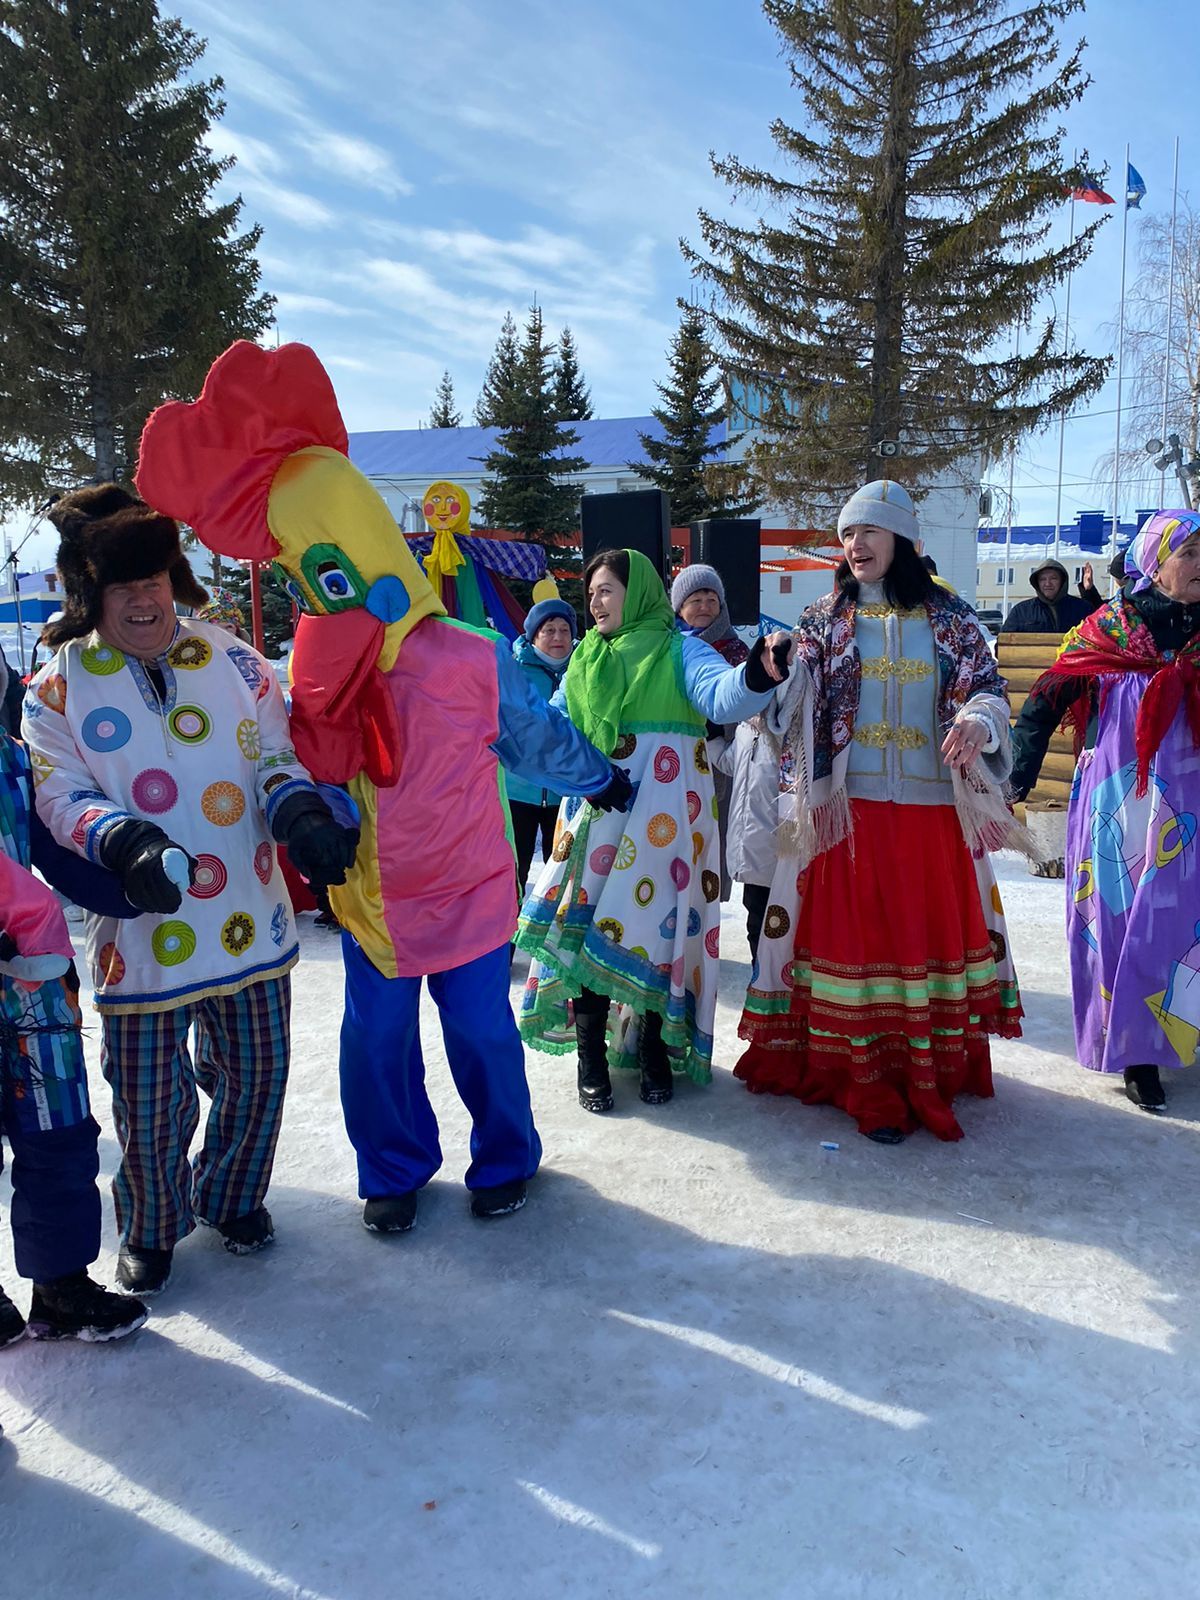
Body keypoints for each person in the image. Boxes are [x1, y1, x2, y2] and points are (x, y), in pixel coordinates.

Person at [135, 339, 628, 1233]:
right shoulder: (316, 678)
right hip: (374, 898)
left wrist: (603, 777)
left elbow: (536, 737)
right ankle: (393, 1169)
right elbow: (300, 766)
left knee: (481, 1033)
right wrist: (313, 821)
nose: (307, 590)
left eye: (314, 568)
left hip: (471, 885)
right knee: (375, 1043)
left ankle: (507, 1154)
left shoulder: (469, 658)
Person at [23, 484, 357, 1296]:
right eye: (121, 585)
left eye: (155, 579)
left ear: (175, 579)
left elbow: (275, 755)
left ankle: (234, 1196)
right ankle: (154, 1225)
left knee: (259, 1073)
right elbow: (59, 795)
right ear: (90, 594)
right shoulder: (56, 690)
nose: (143, 598)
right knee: (148, 1100)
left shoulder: (236, 659)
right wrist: (126, 841)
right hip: (142, 934)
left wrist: (302, 809)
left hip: (250, 914)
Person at [736, 480, 1026, 1144]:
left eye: (869, 530)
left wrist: (980, 723)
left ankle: (929, 1067)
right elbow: (790, 697)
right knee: (858, 947)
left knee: (917, 942)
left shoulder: (951, 618)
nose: (855, 544)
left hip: (930, 813)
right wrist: (779, 670)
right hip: (849, 814)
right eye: (846, 534)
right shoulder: (822, 618)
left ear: (902, 538)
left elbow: (987, 689)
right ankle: (865, 1078)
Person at [517, 548, 791, 1111]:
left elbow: (722, 693)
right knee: (589, 925)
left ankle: (653, 1051)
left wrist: (760, 673)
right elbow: (555, 725)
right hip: (597, 815)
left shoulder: (679, 649)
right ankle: (591, 1053)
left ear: (636, 592)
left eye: (607, 590)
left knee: (656, 932)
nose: (595, 602)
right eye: (591, 592)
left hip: (666, 828)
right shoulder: (585, 659)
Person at [1011, 508, 1200, 1114]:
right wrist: (1017, 776)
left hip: (1189, 807)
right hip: (1119, 805)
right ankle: (1135, 1053)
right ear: (1155, 563)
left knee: (1184, 925)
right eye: (1189, 553)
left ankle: (1180, 1031)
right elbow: (1044, 700)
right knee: (1119, 922)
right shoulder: (1106, 630)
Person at [1, 733, 149, 1345]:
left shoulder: (13, 757)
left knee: (58, 1133)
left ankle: (60, 1286)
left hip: (32, 983)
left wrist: (127, 890)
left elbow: (47, 851)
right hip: (27, 950)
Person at [671, 563, 751, 903]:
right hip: (672, 763)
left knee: (708, 851)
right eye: (695, 599)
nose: (705, 606)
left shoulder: (737, 653)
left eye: (711, 599)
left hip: (717, 765)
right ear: (679, 607)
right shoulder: (667, 649)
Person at [508, 592, 579, 897]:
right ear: (533, 635)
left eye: (564, 630)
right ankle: (508, 938)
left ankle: (555, 940)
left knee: (564, 873)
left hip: (564, 792)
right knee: (514, 870)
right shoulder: (513, 670)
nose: (557, 637)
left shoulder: (584, 669)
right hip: (518, 790)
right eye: (548, 630)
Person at [713, 715, 778, 962]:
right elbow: (731, 762)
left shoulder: (785, 730)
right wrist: (712, 738)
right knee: (756, 921)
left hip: (779, 849)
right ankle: (759, 985)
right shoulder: (744, 729)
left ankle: (775, 988)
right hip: (750, 848)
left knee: (774, 925)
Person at [1003, 559, 1103, 633]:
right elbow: (1002, 646)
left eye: (1053, 578)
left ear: (1062, 582)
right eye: (1042, 579)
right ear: (1037, 583)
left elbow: (1098, 637)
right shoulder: (1021, 611)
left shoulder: (1083, 608)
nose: (1047, 583)